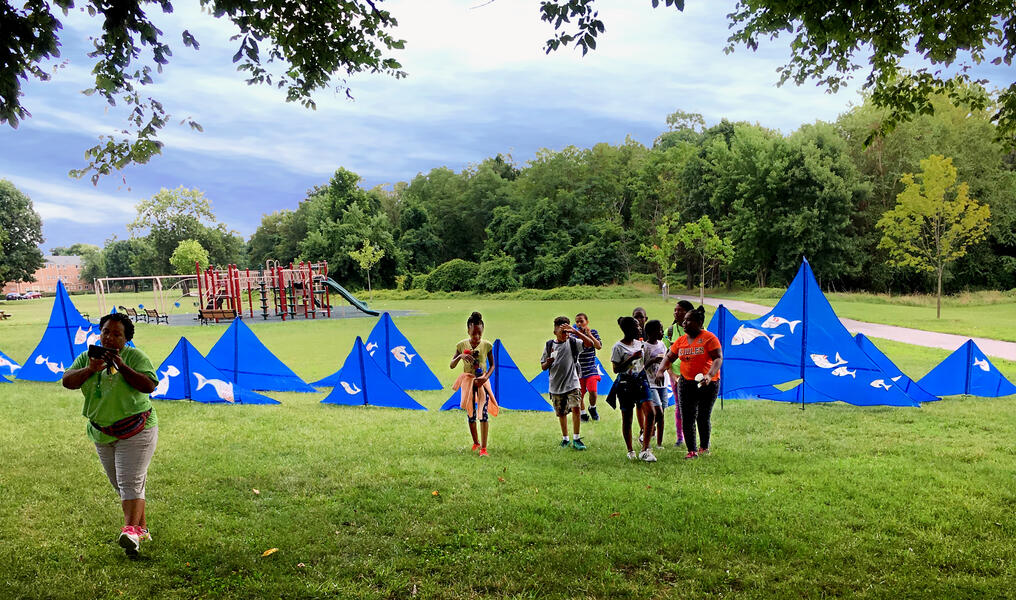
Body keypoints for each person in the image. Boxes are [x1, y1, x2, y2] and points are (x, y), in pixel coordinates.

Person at [61, 313, 159, 557]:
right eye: (106, 332)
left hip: (137, 429)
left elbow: (149, 385)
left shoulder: (135, 357)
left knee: (130, 482)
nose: (110, 338)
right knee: (122, 484)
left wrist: (122, 366)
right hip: (102, 431)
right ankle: (142, 528)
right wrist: (90, 369)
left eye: (117, 334)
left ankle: (130, 533)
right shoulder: (88, 357)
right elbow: (67, 381)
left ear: (126, 339)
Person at [658, 306, 722, 459]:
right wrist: (661, 370)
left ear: (699, 322)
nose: (684, 323)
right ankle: (691, 451)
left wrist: (709, 375)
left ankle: (704, 447)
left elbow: (718, 358)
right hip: (686, 382)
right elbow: (669, 357)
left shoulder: (709, 338)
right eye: (684, 321)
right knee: (687, 416)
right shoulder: (680, 341)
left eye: (688, 320)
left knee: (703, 416)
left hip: (708, 383)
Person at [541, 316, 598, 450]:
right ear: (555, 331)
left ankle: (577, 438)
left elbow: (590, 344)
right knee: (561, 413)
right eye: (562, 332)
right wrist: (547, 363)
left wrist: (575, 332)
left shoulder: (573, 342)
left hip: (573, 382)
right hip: (556, 384)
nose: (565, 335)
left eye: (567, 331)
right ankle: (565, 438)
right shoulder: (550, 345)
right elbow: (543, 366)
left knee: (576, 407)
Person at [450, 311, 497, 457]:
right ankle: (475, 442)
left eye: (479, 333)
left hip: (482, 381)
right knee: (471, 414)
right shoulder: (461, 345)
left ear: (482, 331)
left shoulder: (487, 345)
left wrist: (485, 378)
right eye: (473, 333)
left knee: (483, 414)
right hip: (468, 382)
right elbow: (451, 365)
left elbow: (493, 365)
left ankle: (484, 448)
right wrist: (460, 356)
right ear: (468, 331)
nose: (476, 337)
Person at [610, 316, 656, 462]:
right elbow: (616, 369)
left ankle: (645, 449)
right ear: (628, 329)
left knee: (651, 412)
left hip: (641, 381)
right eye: (636, 326)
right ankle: (630, 450)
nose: (639, 328)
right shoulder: (618, 347)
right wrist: (631, 358)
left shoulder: (639, 343)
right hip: (625, 384)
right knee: (627, 418)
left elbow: (643, 363)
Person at [663, 300, 694, 447]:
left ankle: (695, 435)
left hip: (694, 375)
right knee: (680, 406)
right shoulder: (669, 332)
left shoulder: (701, 330)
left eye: (680, 310)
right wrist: (672, 374)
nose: (676, 313)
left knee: (695, 407)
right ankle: (680, 437)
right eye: (675, 310)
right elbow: (665, 356)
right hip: (676, 375)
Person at [642, 319, 668, 449]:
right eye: (660, 330)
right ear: (651, 332)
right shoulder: (645, 347)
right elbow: (642, 367)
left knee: (662, 412)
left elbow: (667, 360)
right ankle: (645, 434)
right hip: (650, 383)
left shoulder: (662, 344)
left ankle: (659, 443)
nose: (662, 332)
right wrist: (653, 360)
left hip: (663, 383)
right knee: (658, 412)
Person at [573, 313, 603, 422]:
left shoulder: (593, 332)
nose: (579, 324)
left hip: (591, 368)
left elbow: (598, 346)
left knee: (593, 391)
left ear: (587, 322)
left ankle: (592, 408)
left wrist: (589, 335)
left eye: (581, 321)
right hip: (579, 370)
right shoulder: (573, 335)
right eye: (577, 322)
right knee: (579, 394)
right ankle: (583, 413)